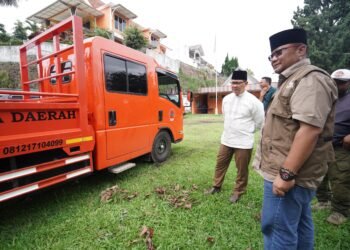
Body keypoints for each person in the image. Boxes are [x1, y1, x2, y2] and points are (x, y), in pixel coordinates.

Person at [258, 28, 337, 249]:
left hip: (290, 174)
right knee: (300, 222)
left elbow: (310, 130)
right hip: (290, 170)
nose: (274, 58)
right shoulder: (292, 80)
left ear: (301, 50)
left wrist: (286, 174)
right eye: (271, 55)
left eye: (279, 52)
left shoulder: (310, 80)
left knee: (276, 229)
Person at [206, 70, 264, 203]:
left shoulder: (254, 102)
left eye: (238, 83)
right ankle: (216, 186)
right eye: (233, 83)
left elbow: (260, 122)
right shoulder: (226, 99)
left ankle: (238, 191)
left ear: (246, 83)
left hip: (243, 142)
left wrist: (248, 131)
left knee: (241, 169)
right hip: (226, 139)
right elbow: (225, 116)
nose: (235, 86)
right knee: (220, 164)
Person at [313, 68, 350, 225]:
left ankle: (341, 210)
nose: (337, 85)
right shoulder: (326, 97)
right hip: (322, 144)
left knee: (340, 179)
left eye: (341, 83)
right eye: (335, 82)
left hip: (341, 147)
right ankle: (323, 201)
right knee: (319, 175)